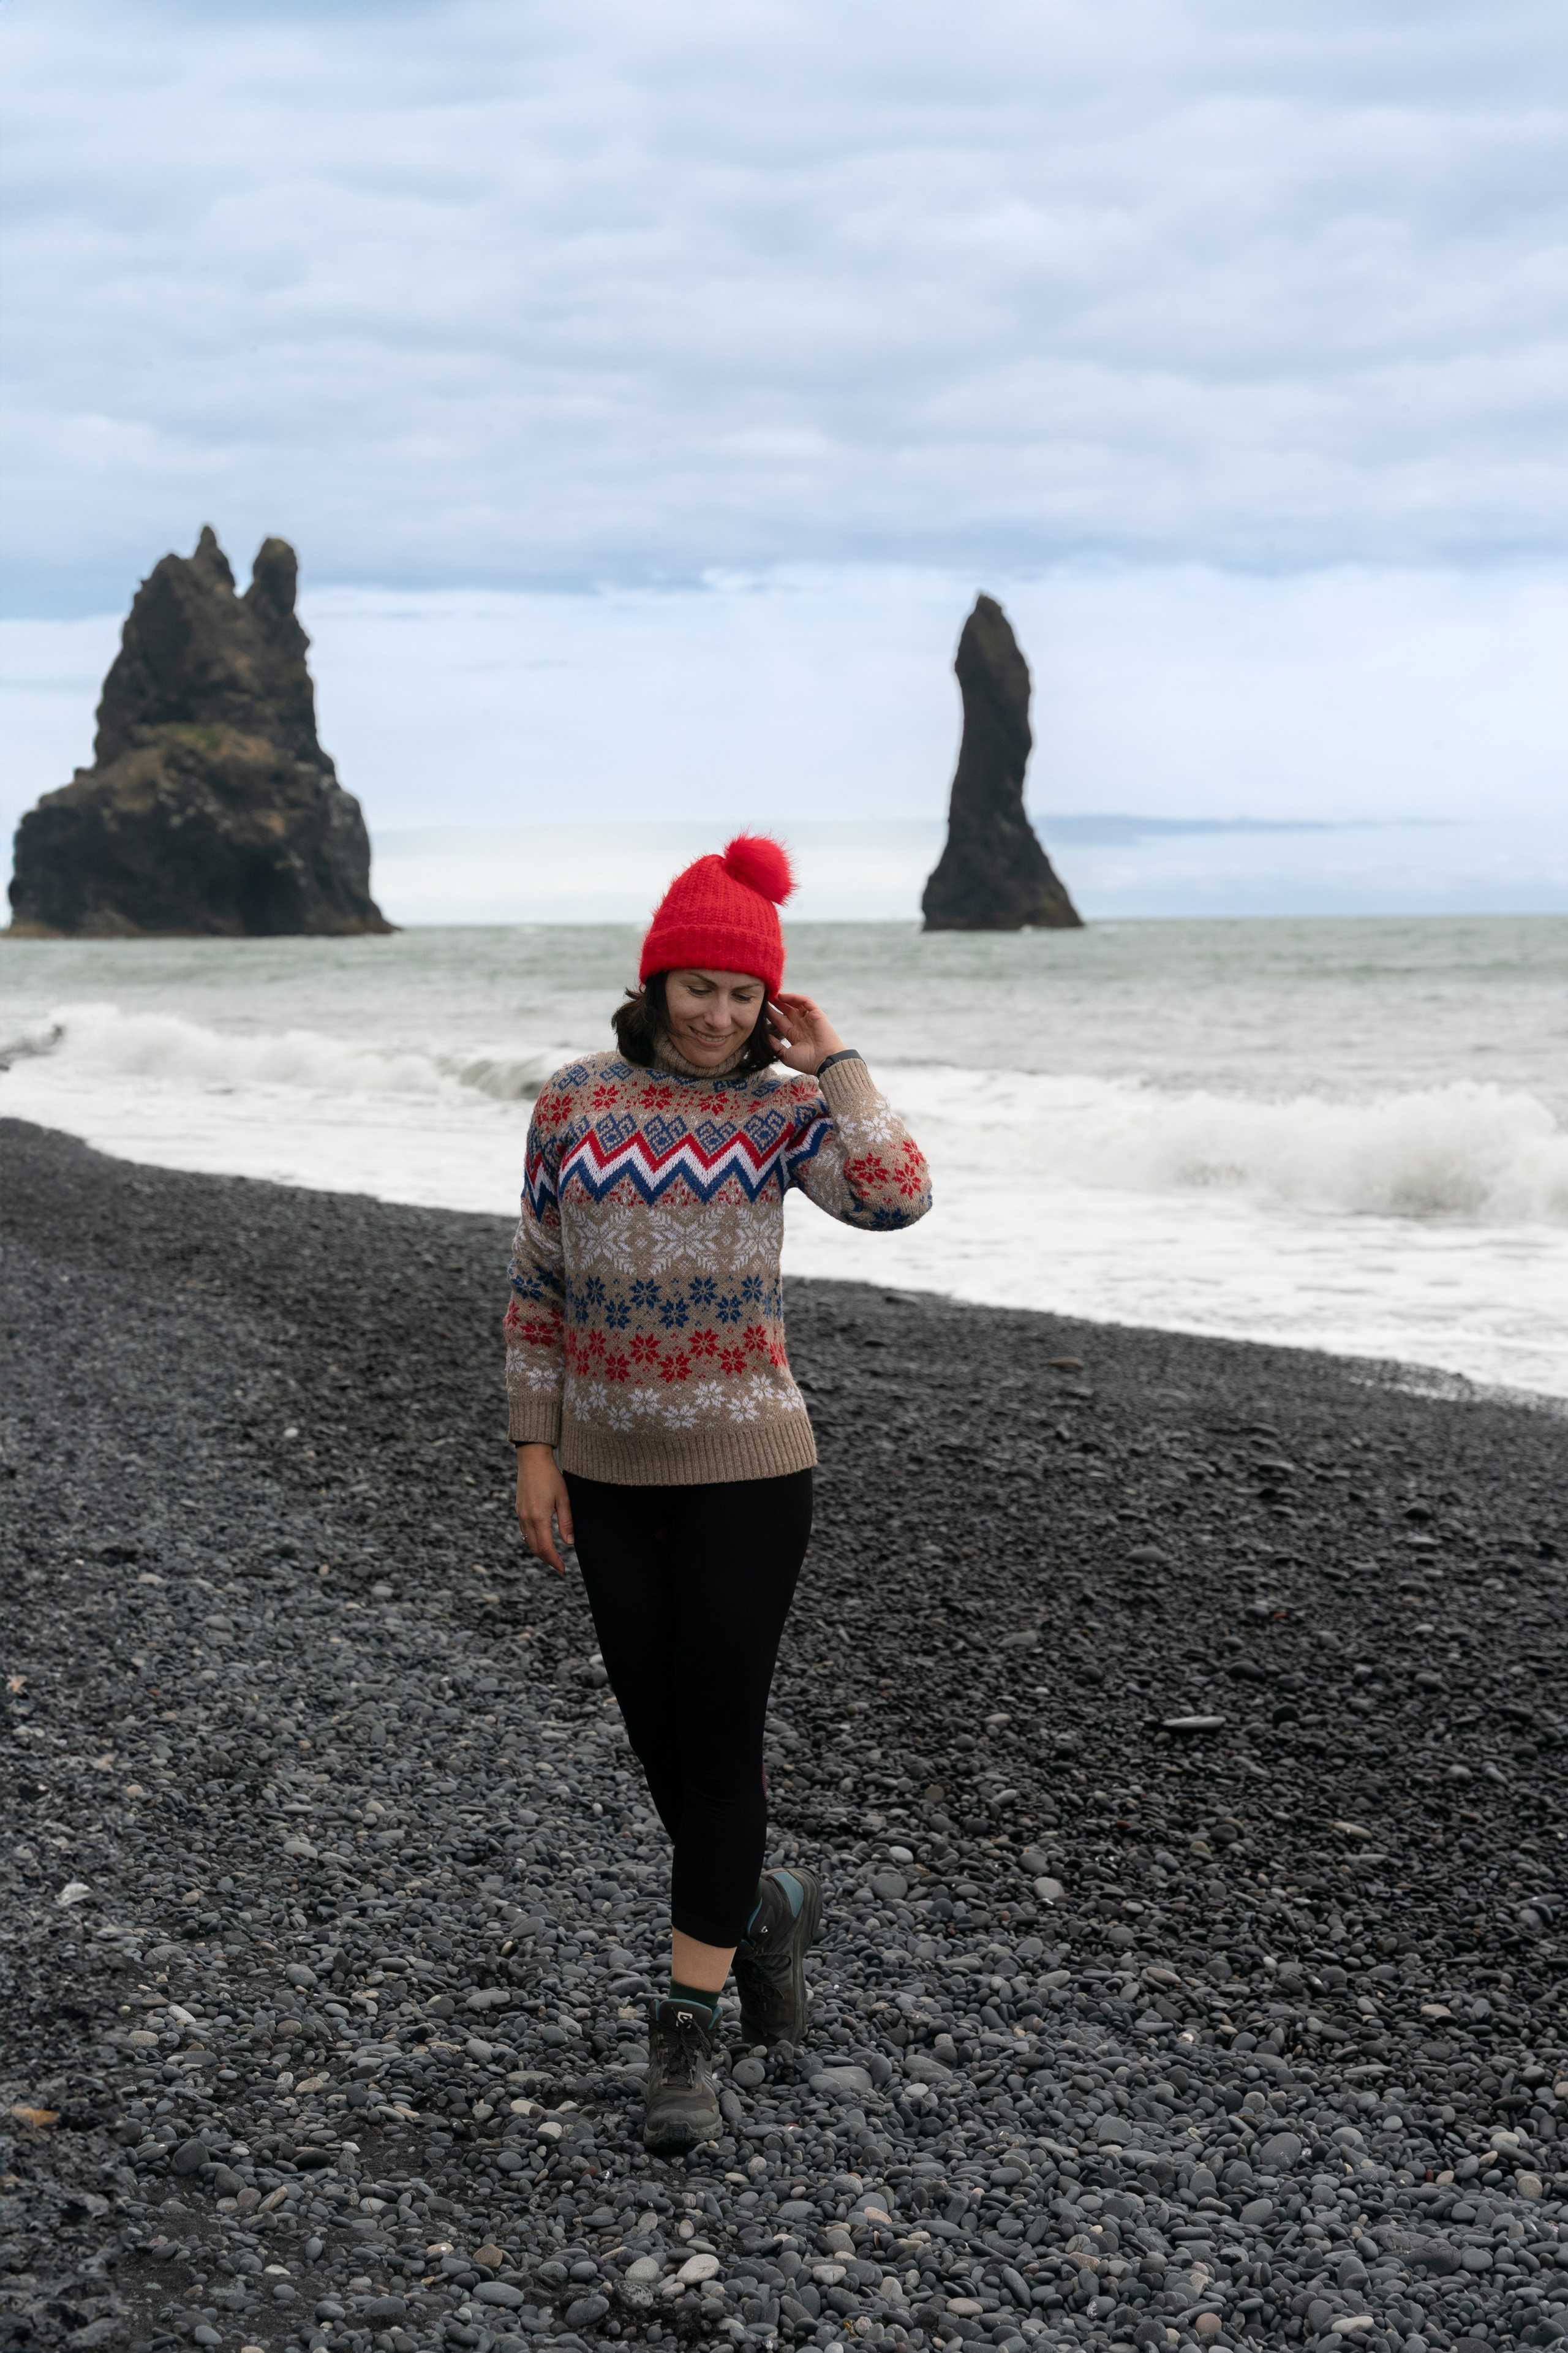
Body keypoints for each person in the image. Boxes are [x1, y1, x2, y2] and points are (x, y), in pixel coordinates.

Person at [505, 834, 932, 2153]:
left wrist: (837, 1061)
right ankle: (764, 1910)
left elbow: (897, 1199)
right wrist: (533, 1445)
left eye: (742, 995)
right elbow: (537, 1283)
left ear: (767, 1006)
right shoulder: (573, 1103)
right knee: (662, 1751)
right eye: (698, 987)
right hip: (606, 1467)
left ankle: (683, 2031)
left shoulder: (779, 1113)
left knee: (721, 1731)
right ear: (655, 982)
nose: (717, 1013)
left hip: (751, 1462)